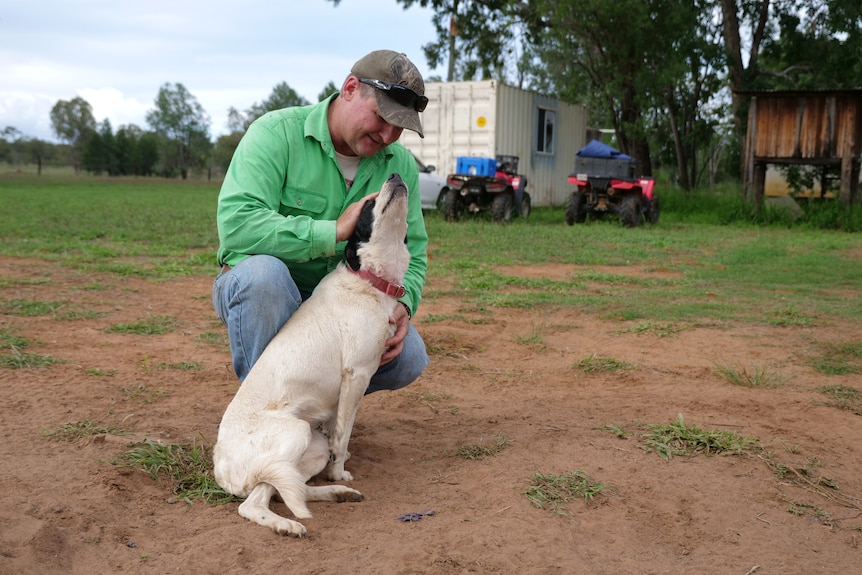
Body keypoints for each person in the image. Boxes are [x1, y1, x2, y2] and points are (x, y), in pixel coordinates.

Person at [212, 49, 430, 394]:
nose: (388, 135)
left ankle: (318, 406)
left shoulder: (400, 165)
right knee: (263, 279)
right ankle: (262, 410)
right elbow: (238, 224)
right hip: (272, 294)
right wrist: (333, 232)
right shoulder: (276, 134)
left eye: (400, 127)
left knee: (409, 358)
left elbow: (412, 249)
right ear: (350, 88)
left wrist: (404, 303)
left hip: (341, 302)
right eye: (381, 116)